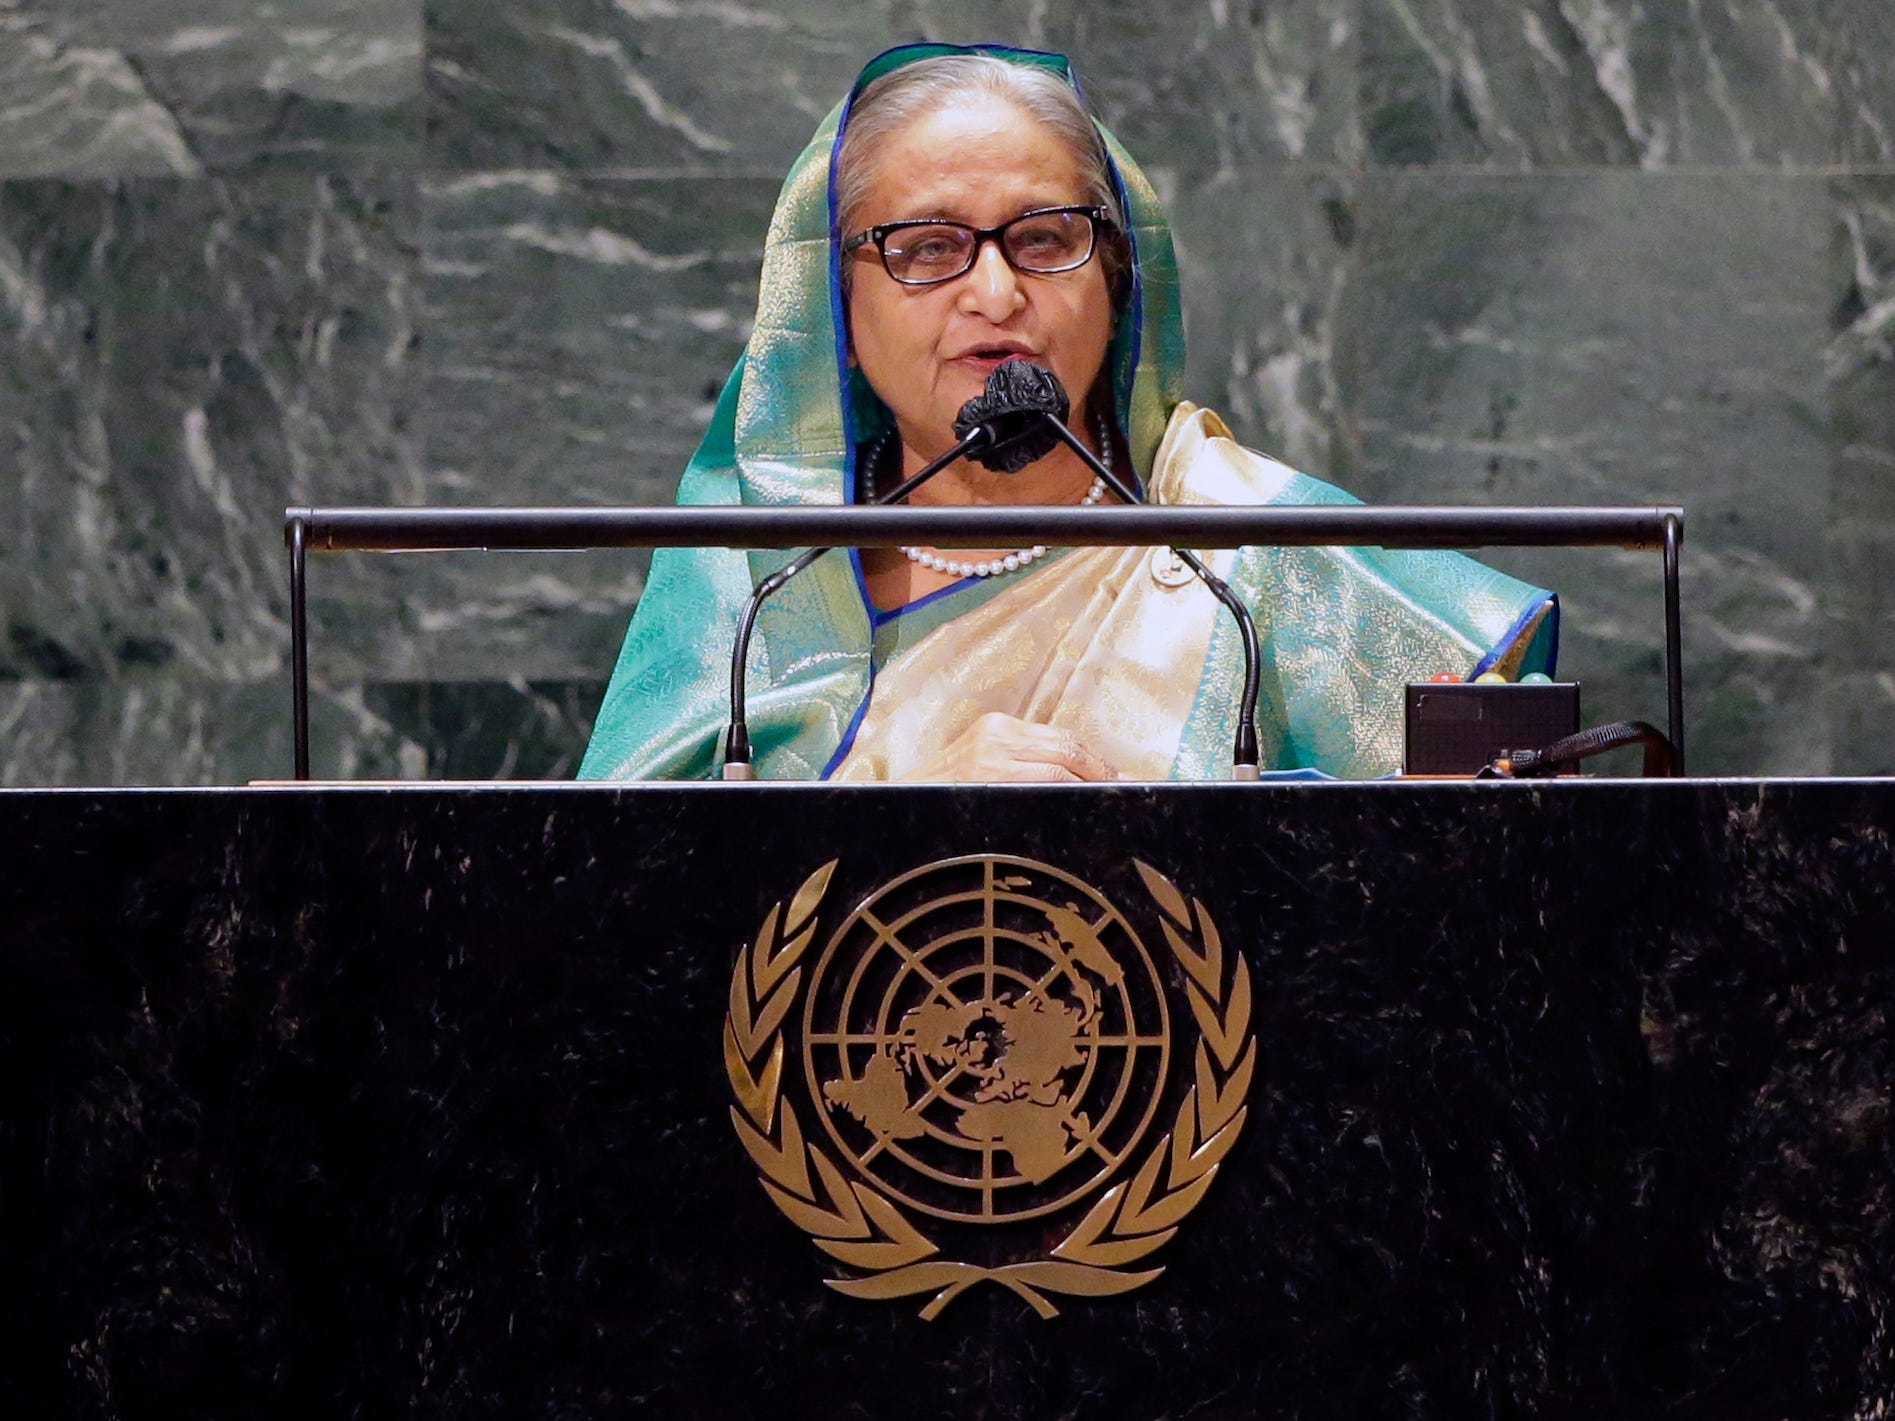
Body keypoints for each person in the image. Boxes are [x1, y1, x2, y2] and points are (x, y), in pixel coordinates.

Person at [578, 43, 1555, 783]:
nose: (996, 293)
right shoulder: (750, 579)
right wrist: (904, 813)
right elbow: (603, 913)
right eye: (926, 248)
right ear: (836, 304)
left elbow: (1503, 891)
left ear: (1118, 281)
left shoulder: (1249, 549)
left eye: (1045, 239)